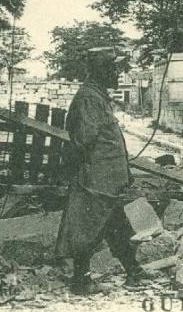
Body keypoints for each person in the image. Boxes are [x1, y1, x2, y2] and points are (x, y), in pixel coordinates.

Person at [55, 47, 144, 295]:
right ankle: (83, 281)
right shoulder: (89, 98)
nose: (117, 73)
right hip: (96, 179)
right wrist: (82, 173)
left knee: (113, 225)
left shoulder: (97, 96)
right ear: (101, 70)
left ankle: (133, 271)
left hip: (108, 179)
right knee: (89, 228)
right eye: (113, 68)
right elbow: (84, 139)